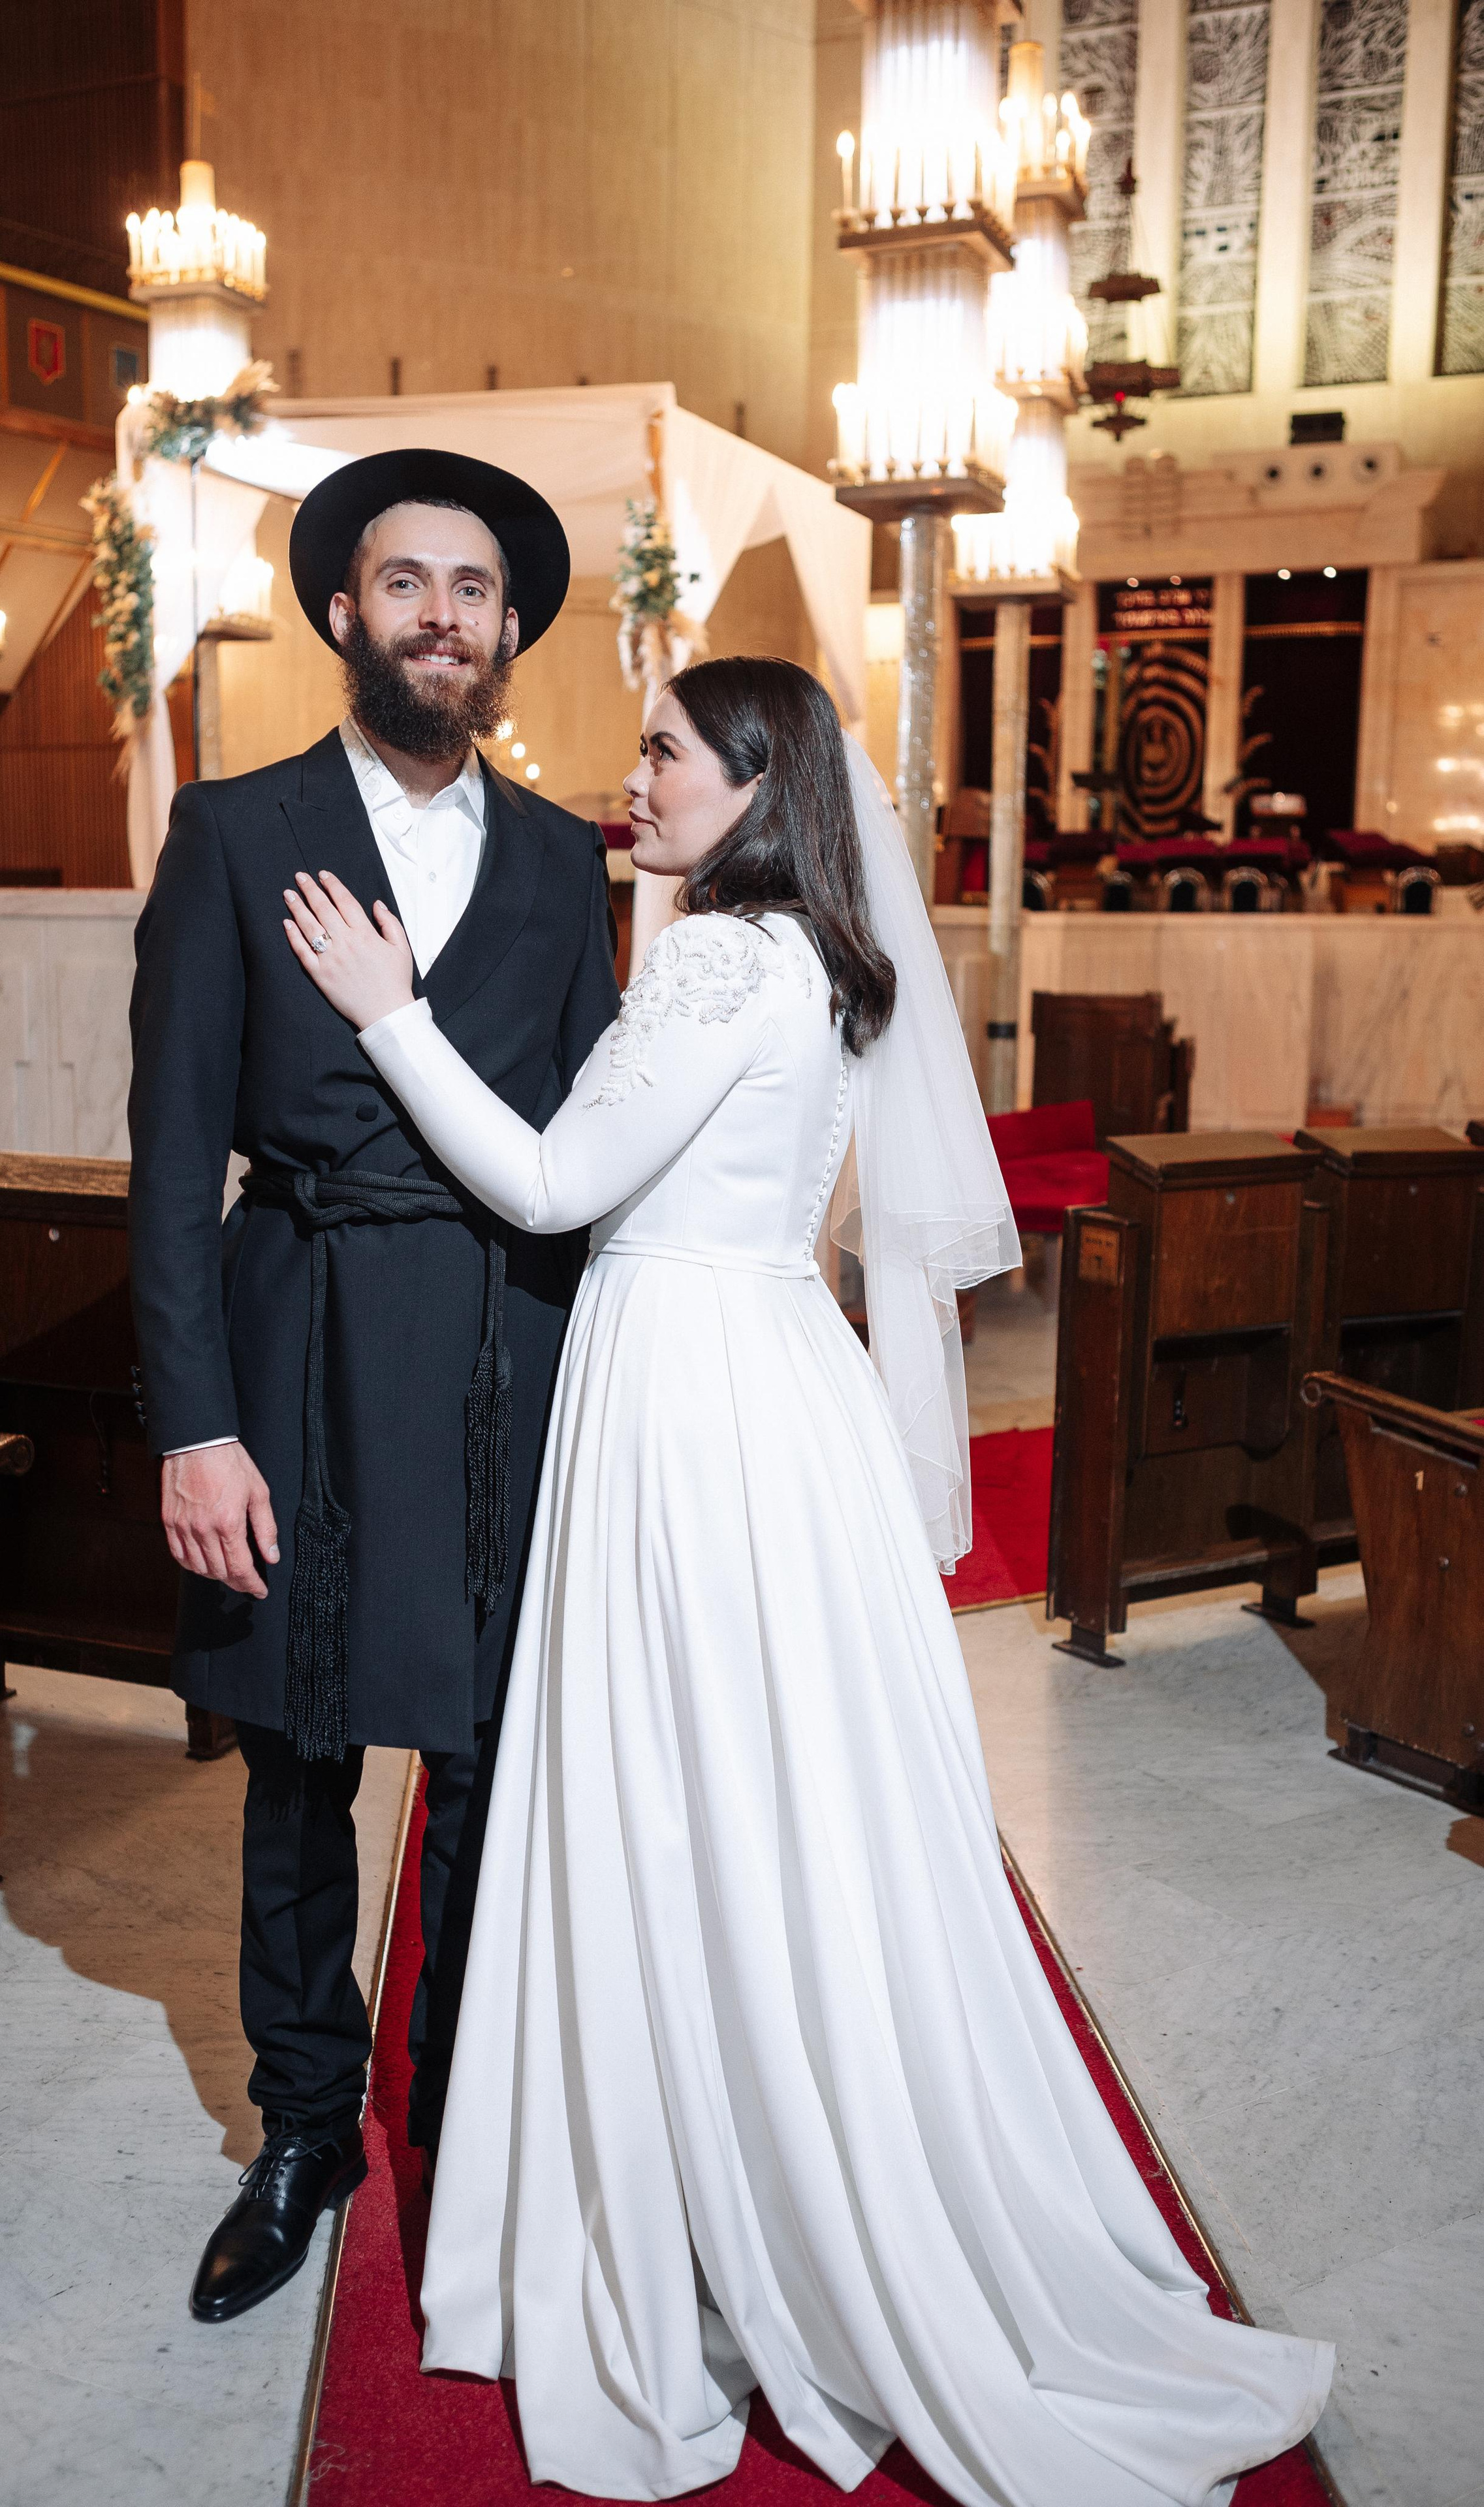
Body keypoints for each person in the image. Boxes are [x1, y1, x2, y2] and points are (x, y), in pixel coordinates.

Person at [282, 655, 1333, 2504]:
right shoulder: (829, 965)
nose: (638, 774)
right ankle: (777, 2145)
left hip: (681, 1400)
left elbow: (545, 1181)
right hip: (775, 1383)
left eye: (669, 752)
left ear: (758, 784)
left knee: (676, 1800)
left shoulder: (712, 953)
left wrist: (387, 1013)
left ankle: (700, 2192)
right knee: (778, 1805)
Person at [125, 450, 618, 2326]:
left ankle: (463, 2124)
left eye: (471, 589)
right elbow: (174, 1157)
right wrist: (194, 1418)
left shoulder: (570, 860)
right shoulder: (236, 833)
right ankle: (308, 2125)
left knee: (493, 1771)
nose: (438, 614)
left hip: (504, 1352)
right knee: (297, 1768)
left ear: (506, 634)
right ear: (346, 612)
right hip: (296, 1332)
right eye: (404, 582)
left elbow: (582, 1146)